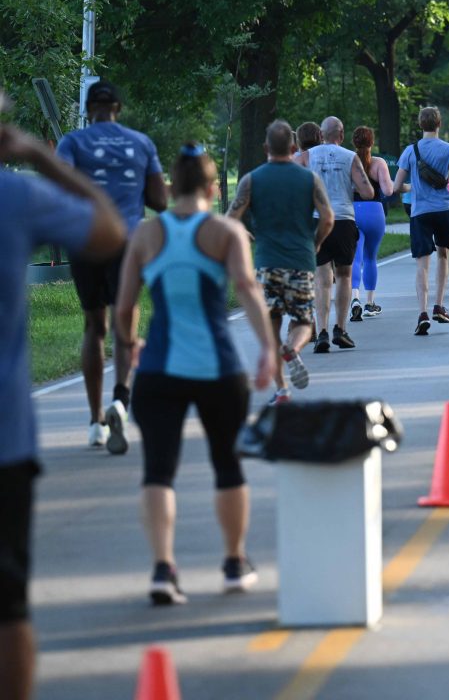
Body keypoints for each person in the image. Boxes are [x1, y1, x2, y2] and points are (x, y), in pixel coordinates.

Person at [114, 143, 275, 606]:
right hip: (218, 368)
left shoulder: (145, 234)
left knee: (158, 471)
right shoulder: (227, 231)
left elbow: (124, 306)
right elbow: (246, 288)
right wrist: (268, 349)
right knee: (228, 464)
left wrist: (130, 343)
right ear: (212, 188)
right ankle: (234, 563)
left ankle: (163, 569)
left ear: (170, 188)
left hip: (158, 369)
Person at [0, 120, 125, 700]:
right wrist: (38, 156)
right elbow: (110, 229)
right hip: (6, 441)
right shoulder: (15, 196)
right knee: (8, 608)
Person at [54, 79, 168, 454]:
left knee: (94, 326)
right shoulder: (141, 143)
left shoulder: (72, 142)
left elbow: (62, 186)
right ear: (118, 108)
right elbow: (159, 200)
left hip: (86, 239)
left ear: (89, 109)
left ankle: (95, 422)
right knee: (124, 322)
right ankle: (121, 398)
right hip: (127, 243)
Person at [227, 120, 334, 404]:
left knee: (270, 329)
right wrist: (316, 243)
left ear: (266, 148)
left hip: (267, 264)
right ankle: (293, 349)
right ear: (294, 147)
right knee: (304, 321)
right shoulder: (309, 179)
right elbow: (328, 218)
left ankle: (282, 389)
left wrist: (246, 235)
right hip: (301, 261)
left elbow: (230, 220)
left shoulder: (251, 180)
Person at [297, 117, 374, 353]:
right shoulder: (350, 157)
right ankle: (340, 329)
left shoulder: (306, 157)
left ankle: (321, 331)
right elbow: (368, 192)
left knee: (322, 279)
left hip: (316, 220)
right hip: (343, 220)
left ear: (321, 135)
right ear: (341, 135)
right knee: (344, 275)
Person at [395, 107, 449, 334]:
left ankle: (422, 312)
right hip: (444, 209)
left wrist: (413, 187)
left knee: (422, 264)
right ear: (439, 124)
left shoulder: (410, 151)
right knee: (443, 255)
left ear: (420, 124)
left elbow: (396, 186)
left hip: (420, 212)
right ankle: (439, 306)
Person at [349, 126, 394, 322]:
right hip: (374, 212)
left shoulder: (348, 161)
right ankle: (369, 303)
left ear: (354, 142)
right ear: (372, 142)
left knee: (355, 258)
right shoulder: (378, 163)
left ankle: (354, 298)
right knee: (370, 258)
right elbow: (388, 190)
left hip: (352, 211)